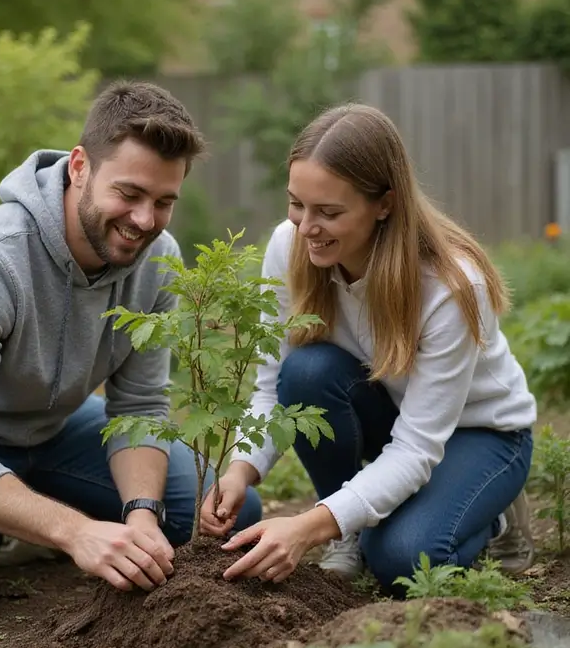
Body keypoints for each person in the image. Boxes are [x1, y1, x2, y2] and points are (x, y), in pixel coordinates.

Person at [0, 80, 262, 620]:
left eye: (163, 202)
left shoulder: (157, 260)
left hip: (53, 428)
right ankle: (3, 517)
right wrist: (75, 532)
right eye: (129, 194)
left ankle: (15, 508)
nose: (145, 220)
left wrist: (141, 514)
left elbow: (139, 407)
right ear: (79, 167)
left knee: (230, 515)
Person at [200, 102, 536, 590]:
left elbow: (417, 446)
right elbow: (272, 387)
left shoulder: (450, 286)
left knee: (402, 559)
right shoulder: (290, 246)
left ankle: (492, 517)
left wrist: (307, 527)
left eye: (329, 212)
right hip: (391, 414)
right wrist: (239, 470)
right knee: (306, 372)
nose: (306, 227)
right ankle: (348, 529)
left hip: (480, 434)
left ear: (385, 204)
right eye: (296, 204)